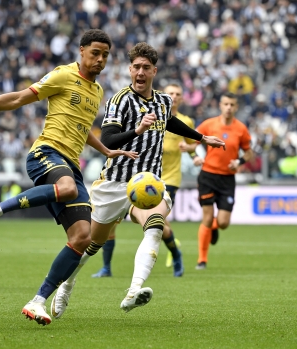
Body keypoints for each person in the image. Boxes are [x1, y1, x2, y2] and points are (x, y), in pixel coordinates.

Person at [0, 30, 137, 326]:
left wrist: (105, 149)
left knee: (82, 237)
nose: (100, 59)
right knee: (64, 188)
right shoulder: (63, 75)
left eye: (105, 55)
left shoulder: (98, 91)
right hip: (46, 153)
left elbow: (82, 126)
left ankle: (38, 301)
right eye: (95, 53)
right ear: (81, 51)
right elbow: (17, 99)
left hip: (70, 165)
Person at [50, 42, 225, 318]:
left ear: (154, 71)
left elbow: (170, 122)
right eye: (136, 67)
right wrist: (137, 129)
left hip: (147, 183)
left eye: (146, 68)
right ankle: (66, 285)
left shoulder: (164, 101)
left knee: (155, 226)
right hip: (114, 184)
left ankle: (134, 291)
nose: (140, 72)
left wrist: (202, 138)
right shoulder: (119, 100)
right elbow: (107, 139)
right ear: (130, 70)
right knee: (90, 244)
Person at [90, 83, 197, 278]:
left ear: (181, 98)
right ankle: (106, 267)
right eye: (171, 92)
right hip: (133, 175)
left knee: (159, 223)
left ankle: (175, 255)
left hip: (165, 177)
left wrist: (194, 154)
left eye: (178, 94)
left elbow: (192, 145)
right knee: (111, 224)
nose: (173, 96)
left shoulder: (185, 121)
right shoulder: (147, 110)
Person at [180, 92, 253, 270]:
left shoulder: (241, 129)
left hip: (228, 179)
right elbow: (193, 141)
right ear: (220, 105)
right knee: (206, 216)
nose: (229, 107)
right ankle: (202, 260)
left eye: (232, 105)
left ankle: (214, 227)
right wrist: (191, 152)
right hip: (208, 176)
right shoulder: (209, 124)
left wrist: (239, 162)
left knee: (223, 223)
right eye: (226, 104)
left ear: (236, 107)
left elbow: (249, 152)